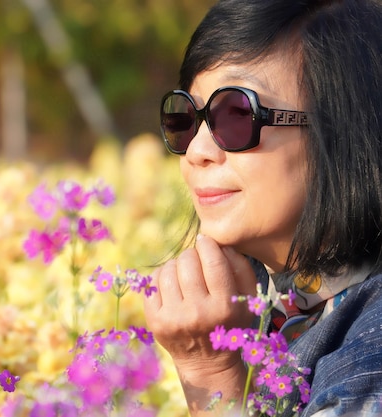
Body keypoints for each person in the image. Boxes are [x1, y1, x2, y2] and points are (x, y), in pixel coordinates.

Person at [143, 0, 382, 416]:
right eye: (187, 117)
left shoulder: (372, 357)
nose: (196, 151)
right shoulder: (250, 298)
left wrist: (213, 372)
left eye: (236, 114)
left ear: (344, 132)